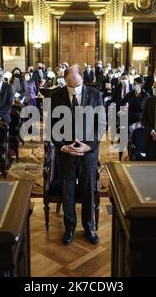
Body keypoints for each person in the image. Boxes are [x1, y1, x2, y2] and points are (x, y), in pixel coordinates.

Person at [50, 65, 104, 246]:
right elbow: (51, 126)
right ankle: (70, 227)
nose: (72, 87)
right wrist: (63, 146)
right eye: (68, 84)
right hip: (66, 153)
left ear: (82, 78)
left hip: (88, 153)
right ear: (65, 80)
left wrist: (88, 147)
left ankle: (89, 227)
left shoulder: (95, 95)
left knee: (89, 191)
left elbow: (101, 124)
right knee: (68, 192)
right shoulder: (55, 95)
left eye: (75, 83)